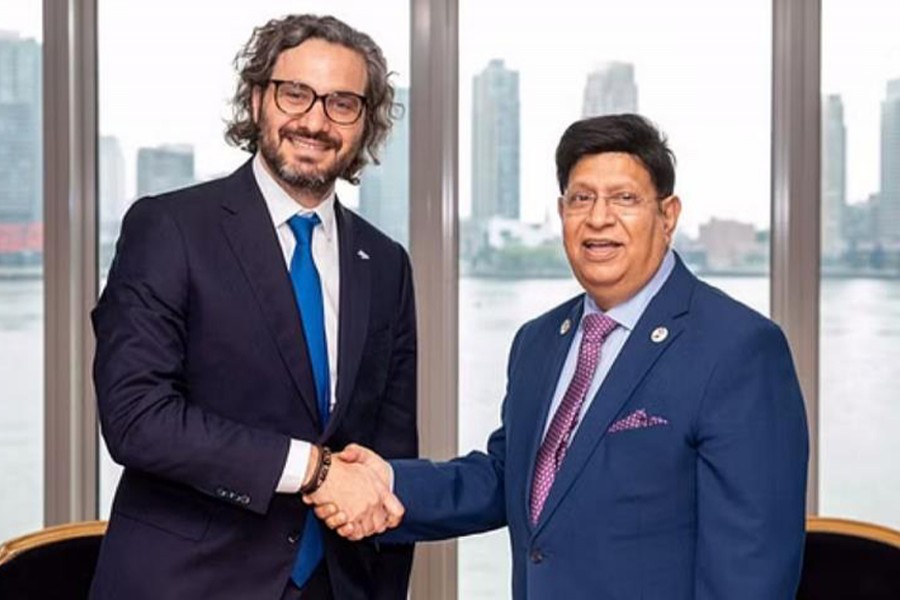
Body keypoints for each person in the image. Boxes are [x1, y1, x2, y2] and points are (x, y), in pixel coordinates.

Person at [316, 114, 810, 599]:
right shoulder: (538, 342)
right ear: (562, 213)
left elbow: (751, 571)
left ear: (668, 215)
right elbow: (508, 477)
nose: (598, 218)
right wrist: (387, 481)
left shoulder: (739, 349)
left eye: (624, 198)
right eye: (581, 198)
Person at [90, 14, 415, 600]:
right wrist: (313, 469)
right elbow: (136, 417)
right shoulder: (170, 228)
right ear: (258, 98)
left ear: (366, 123)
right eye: (296, 94)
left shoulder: (386, 262)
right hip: (189, 584)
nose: (315, 121)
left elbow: (389, 457)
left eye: (342, 103)